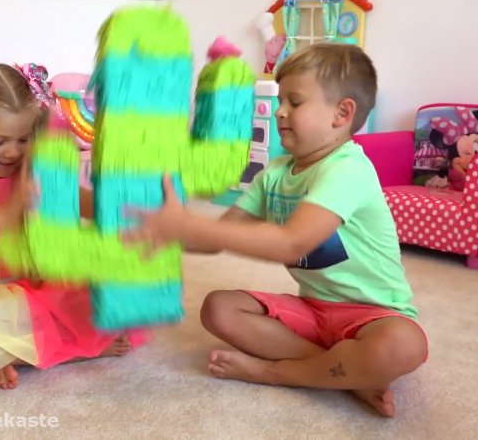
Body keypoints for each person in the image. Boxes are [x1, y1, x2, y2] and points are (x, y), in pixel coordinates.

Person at [124, 44, 427, 417]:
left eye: (294, 102)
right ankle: (345, 375)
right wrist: (168, 229)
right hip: (314, 308)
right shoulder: (276, 172)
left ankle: (279, 373)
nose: (280, 111)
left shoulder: (348, 169)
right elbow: (218, 236)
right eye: (280, 100)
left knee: (403, 346)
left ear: (342, 113)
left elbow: (292, 243)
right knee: (218, 309)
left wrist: (192, 225)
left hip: (373, 315)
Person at [0, 62, 147, 399]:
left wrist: (126, 209)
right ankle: (59, 351)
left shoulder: (32, 172)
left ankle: (2, 354)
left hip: (30, 290)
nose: (13, 151)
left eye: (23, 139)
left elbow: (82, 202)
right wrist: (6, 213)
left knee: (113, 287)